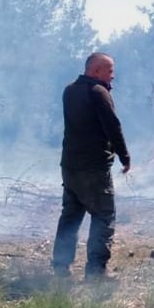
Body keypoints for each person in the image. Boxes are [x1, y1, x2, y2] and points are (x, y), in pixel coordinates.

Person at [51, 52, 130, 281]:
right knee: (103, 216)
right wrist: (124, 156)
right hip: (93, 168)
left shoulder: (69, 90)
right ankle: (96, 273)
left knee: (71, 216)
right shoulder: (98, 92)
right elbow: (112, 126)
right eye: (110, 71)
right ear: (96, 71)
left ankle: (60, 268)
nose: (112, 76)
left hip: (70, 166)